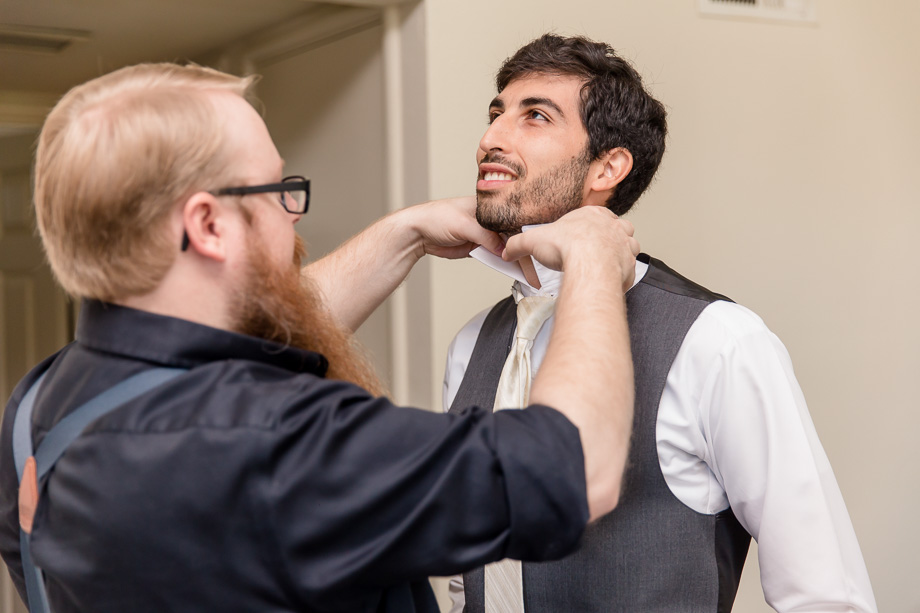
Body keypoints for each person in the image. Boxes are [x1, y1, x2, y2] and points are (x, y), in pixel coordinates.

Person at [0, 62, 642, 612]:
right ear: (208, 224)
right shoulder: (280, 445)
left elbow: (238, 341)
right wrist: (592, 258)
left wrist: (407, 233)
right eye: (279, 191)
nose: (294, 216)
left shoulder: (36, 412)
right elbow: (572, 467)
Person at [443, 34, 877, 613]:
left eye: (535, 117)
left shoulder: (719, 341)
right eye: (496, 114)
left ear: (608, 166)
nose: (490, 138)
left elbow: (825, 595)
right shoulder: (472, 343)